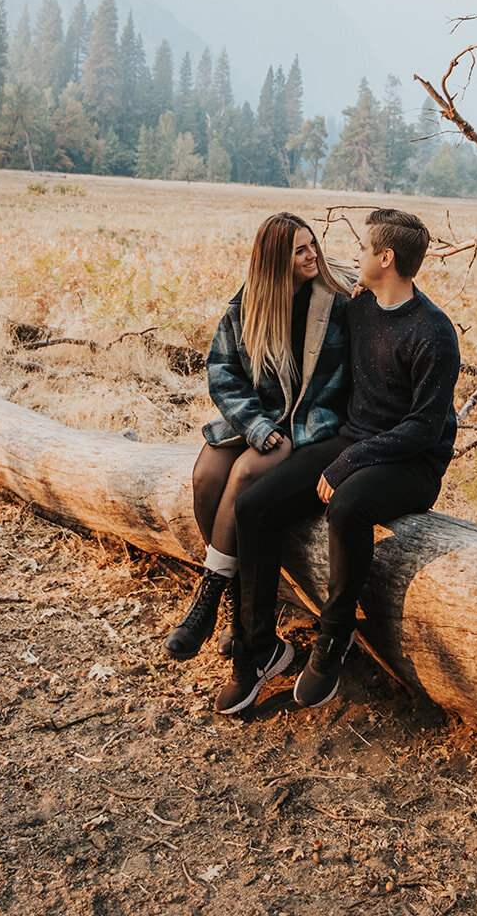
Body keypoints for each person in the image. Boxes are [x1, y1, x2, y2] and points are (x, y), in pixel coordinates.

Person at [215, 206, 460, 714]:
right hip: (354, 438)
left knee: (347, 507)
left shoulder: (433, 332)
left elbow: (424, 427)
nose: (355, 254)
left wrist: (349, 462)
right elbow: (287, 301)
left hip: (414, 461)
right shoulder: (361, 305)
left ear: (386, 258)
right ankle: (257, 650)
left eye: (365, 248)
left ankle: (334, 638)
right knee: (253, 506)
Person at [163, 211, 351, 661]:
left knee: (246, 473)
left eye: (313, 245)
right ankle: (236, 605)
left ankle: (207, 598)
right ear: (275, 260)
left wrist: (278, 431)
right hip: (255, 421)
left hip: (307, 425)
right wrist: (256, 425)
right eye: (299, 250)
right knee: (206, 477)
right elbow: (222, 373)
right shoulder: (248, 303)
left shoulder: (335, 300)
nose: (312, 255)